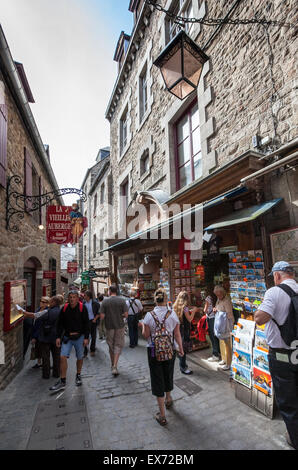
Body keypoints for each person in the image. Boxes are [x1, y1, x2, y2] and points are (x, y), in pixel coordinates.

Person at [254, 261, 298, 449]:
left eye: (273, 277)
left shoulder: (274, 292)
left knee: (288, 402)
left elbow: (259, 318)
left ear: (278, 275)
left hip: (282, 356)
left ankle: (295, 439)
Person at [140, 288, 184, 426]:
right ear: (166, 300)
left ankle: (162, 415)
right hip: (170, 350)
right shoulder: (172, 315)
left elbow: (146, 335)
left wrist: (142, 325)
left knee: (157, 379)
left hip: (154, 352)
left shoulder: (149, 316)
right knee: (168, 373)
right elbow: (177, 335)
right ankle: (169, 398)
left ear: (155, 300)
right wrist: (181, 349)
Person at [49, 290, 90, 392]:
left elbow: (86, 324)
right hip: (67, 337)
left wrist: (86, 338)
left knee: (80, 357)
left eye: (74, 297)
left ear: (77, 298)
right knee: (62, 357)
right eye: (70, 297)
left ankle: (78, 375)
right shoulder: (65, 308)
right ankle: (62, 381)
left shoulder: (82, 308)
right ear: (68, 298)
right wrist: (58, 337)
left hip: (79, 337)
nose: (72, 299)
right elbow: (59, 324)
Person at [100, 285, 128, 376]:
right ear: (117, 291)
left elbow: (102, 316)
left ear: (109, 291)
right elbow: (126, 315)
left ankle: (113, 364)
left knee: (111, 345)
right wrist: (120, 316)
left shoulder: (105, 301)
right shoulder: (122, 300)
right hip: (119, 326)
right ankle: (115, 365)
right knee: (118, 345)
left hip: (109, 326)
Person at [38, 296, 62, 379]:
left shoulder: (49, 311)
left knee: (46, 357)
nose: (49, 303)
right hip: (57, 337)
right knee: (56, 356)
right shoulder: (60, 311)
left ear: (54, 302)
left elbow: (39, 317)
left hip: (46, 336)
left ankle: (46, 374)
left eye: (50, 302)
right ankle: (56, 373)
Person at [173, 291, 196, 375]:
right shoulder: (185, 308)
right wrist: (193, 311)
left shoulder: (175, 306)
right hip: (184, 330)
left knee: (180, 346)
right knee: (183, 349)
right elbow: (189, 319)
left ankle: (182, 364)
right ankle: (183, 367)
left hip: (177, 329)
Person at [213, 285, 234, 370]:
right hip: (220, 324)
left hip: (226, 324)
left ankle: (229, 363)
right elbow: (217, 307)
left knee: (228, 344)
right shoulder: (219, 299)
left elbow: (229, 314)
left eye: (219, 294)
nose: (218, 296)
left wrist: (231, 326)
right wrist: (216, 309)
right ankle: (224, 359)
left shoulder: (227, 300)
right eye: (217, 295)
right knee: (221, 341)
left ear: (223, 293)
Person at [29, 297, 50, 368]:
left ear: (47, 304)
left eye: (44, 302)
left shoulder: (46, 311)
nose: (41, 303)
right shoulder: (38, 309)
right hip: (36, 331)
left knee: (42, 349)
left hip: (41, 333)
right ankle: (39, 363)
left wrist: (34, 337)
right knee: (38, 348)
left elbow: (40, 326)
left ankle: (44, 364)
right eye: (41, 301)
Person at [204, 285, 221, 363]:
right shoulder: (217, 297)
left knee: (212, 336)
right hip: (216, 317)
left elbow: (205, 309)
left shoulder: (208, 298)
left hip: (211, 318)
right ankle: (220, 352)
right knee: (216, 335)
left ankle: (215, 354)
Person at [83, 290, 100, 357]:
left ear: (89, 296)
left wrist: (95, 319)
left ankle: (92, 350)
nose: (84, 297)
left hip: (92, 321)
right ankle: (85, 351)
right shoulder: (83, 303)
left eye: (85, 296)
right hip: (85, 322)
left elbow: (99, 312)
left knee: (93, 336)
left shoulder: (95, 303)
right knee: (85, 337)